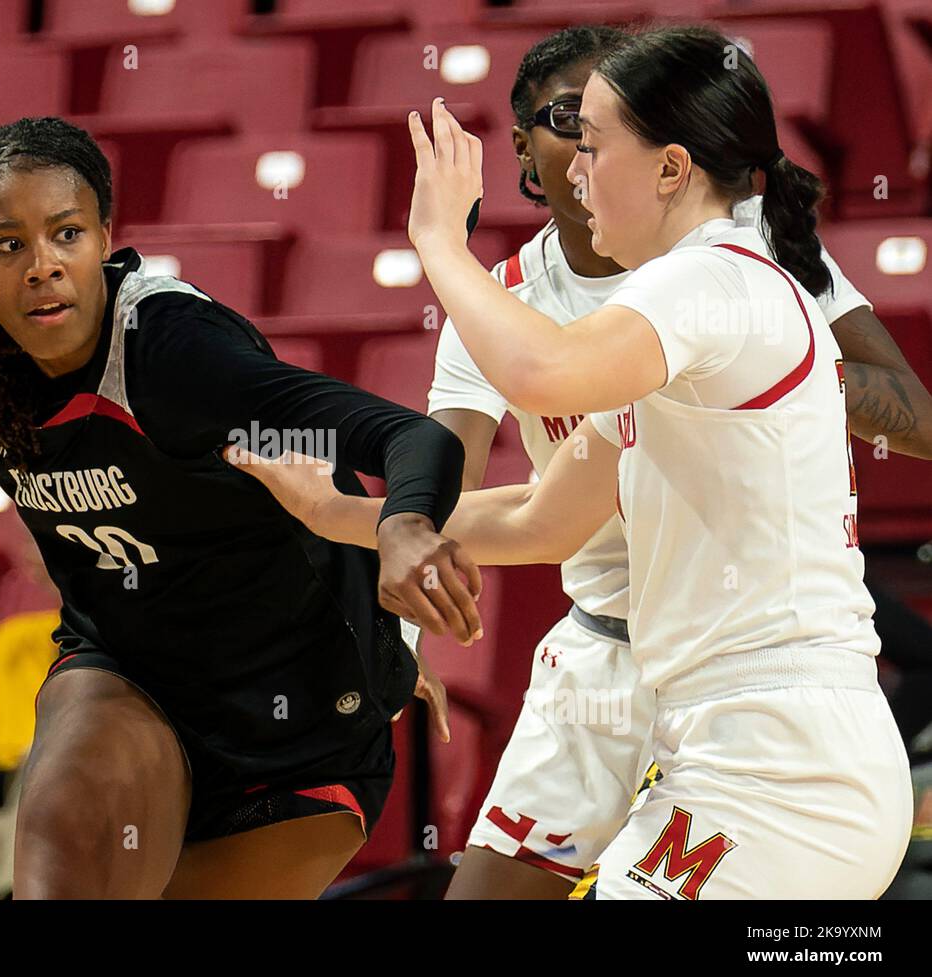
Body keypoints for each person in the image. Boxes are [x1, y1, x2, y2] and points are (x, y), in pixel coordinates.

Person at [0, 116, 478, 899]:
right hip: (132, 681)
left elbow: (410, 438)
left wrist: (406, 527)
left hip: (308, 715)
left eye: (66, 234)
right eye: (8, 245)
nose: (43, 266)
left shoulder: (173, 352)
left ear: (105, 237)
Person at [234, 26, 915, 898]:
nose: (576, 172)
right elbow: (542, 517)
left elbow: (542, 371)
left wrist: (440, 243)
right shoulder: (669, 318)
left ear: (671, 170)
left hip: (779, 754)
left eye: (594, 146)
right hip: (713, 726)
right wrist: (332, 515)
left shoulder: (707, 281)